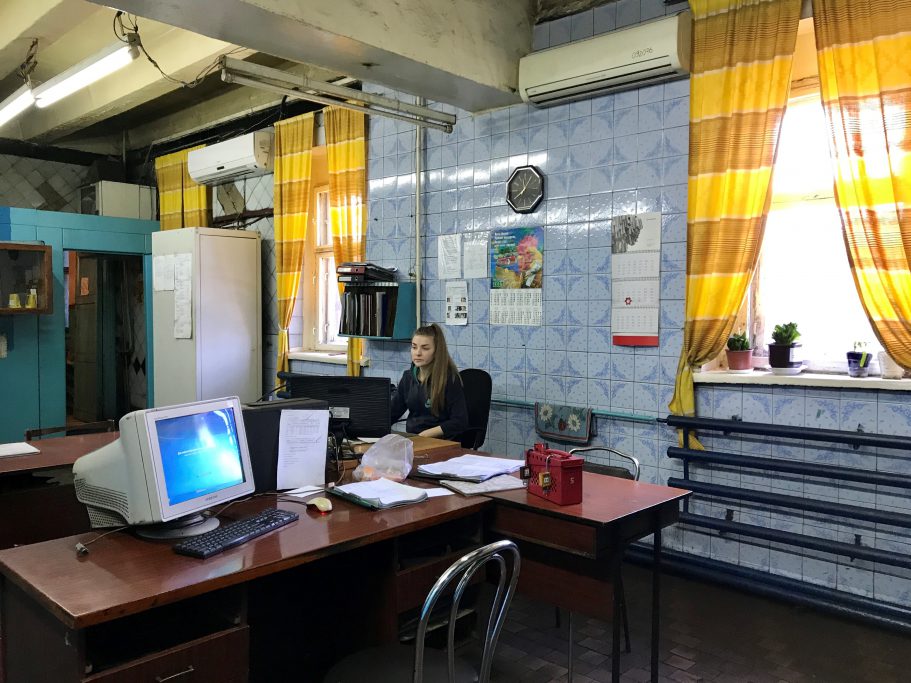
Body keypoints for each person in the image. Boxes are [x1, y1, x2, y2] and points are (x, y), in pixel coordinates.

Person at [391, 323, 469, 440]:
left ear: (437, 351)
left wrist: (425, 435)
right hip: (413, 439)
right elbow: (393, 412)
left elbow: (460, 421)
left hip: (441, 441)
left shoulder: (449, 379)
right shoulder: (408, 377)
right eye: (414, 347)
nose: (418, 353)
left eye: (425, 348)